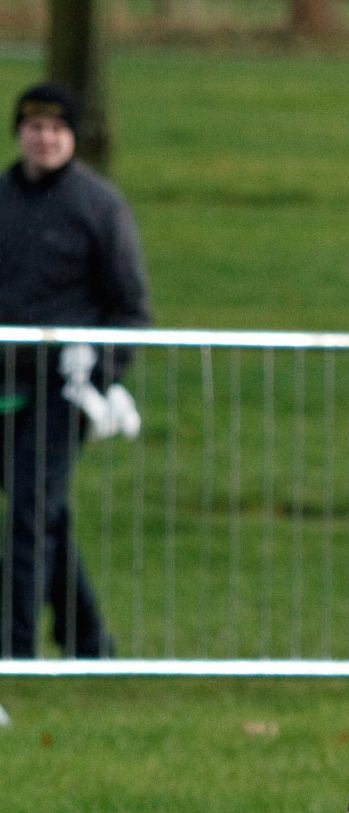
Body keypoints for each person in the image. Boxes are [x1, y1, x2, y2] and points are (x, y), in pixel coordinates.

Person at [0, 82, 149, 660]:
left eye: (57, 129)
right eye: (35, 127)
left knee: (30, 512)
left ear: (73, 138)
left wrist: (101, 374)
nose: (45, 138)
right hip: (3, 382)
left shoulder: (100, 206)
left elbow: (131, 307)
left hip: (63, 387)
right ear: (20, 133)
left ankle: (13, 655)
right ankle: (89, 640)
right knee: (44, 513)